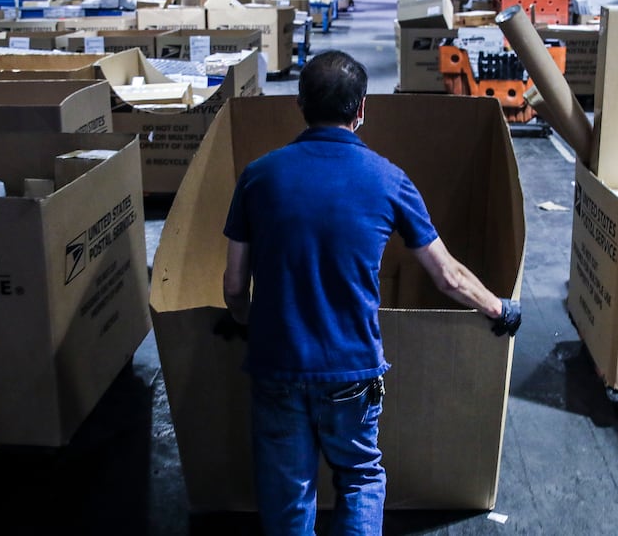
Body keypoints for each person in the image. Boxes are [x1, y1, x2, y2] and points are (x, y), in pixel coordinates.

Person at [222, 50, 521, 536]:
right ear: (361, 109)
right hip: (352, 369)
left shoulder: (258, 177)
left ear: (299, 104)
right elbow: (447, 276)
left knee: (288, 491)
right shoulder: (388, 179)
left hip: (277, 364)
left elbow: (235, 284)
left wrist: (243, 322)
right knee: (360, 476)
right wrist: (497, 306)